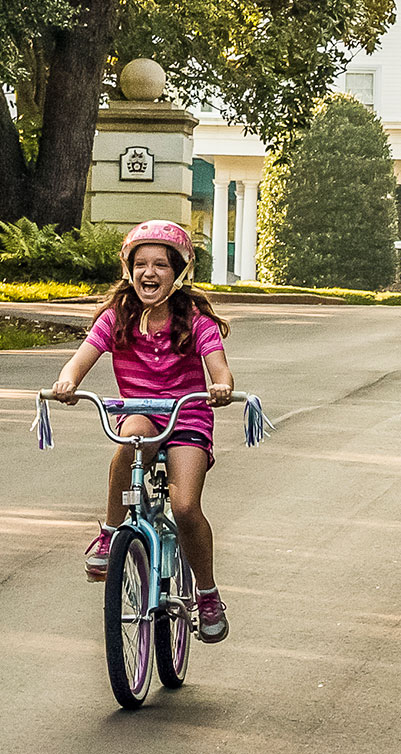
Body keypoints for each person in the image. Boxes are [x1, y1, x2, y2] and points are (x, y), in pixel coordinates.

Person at [50, 220, 239, 643]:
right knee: (130, 442)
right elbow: (80, 360)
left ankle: (206, 593)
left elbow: (219, 366)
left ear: (178, 273)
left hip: (188, 417)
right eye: (140, 264)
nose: (148, 273)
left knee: (186, 506)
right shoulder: (117, 318)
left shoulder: (196, 321)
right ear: (128, 269)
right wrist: (68, 382)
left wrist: (221, 386)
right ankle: (113, 533)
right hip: (141, 412)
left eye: (160, 265)